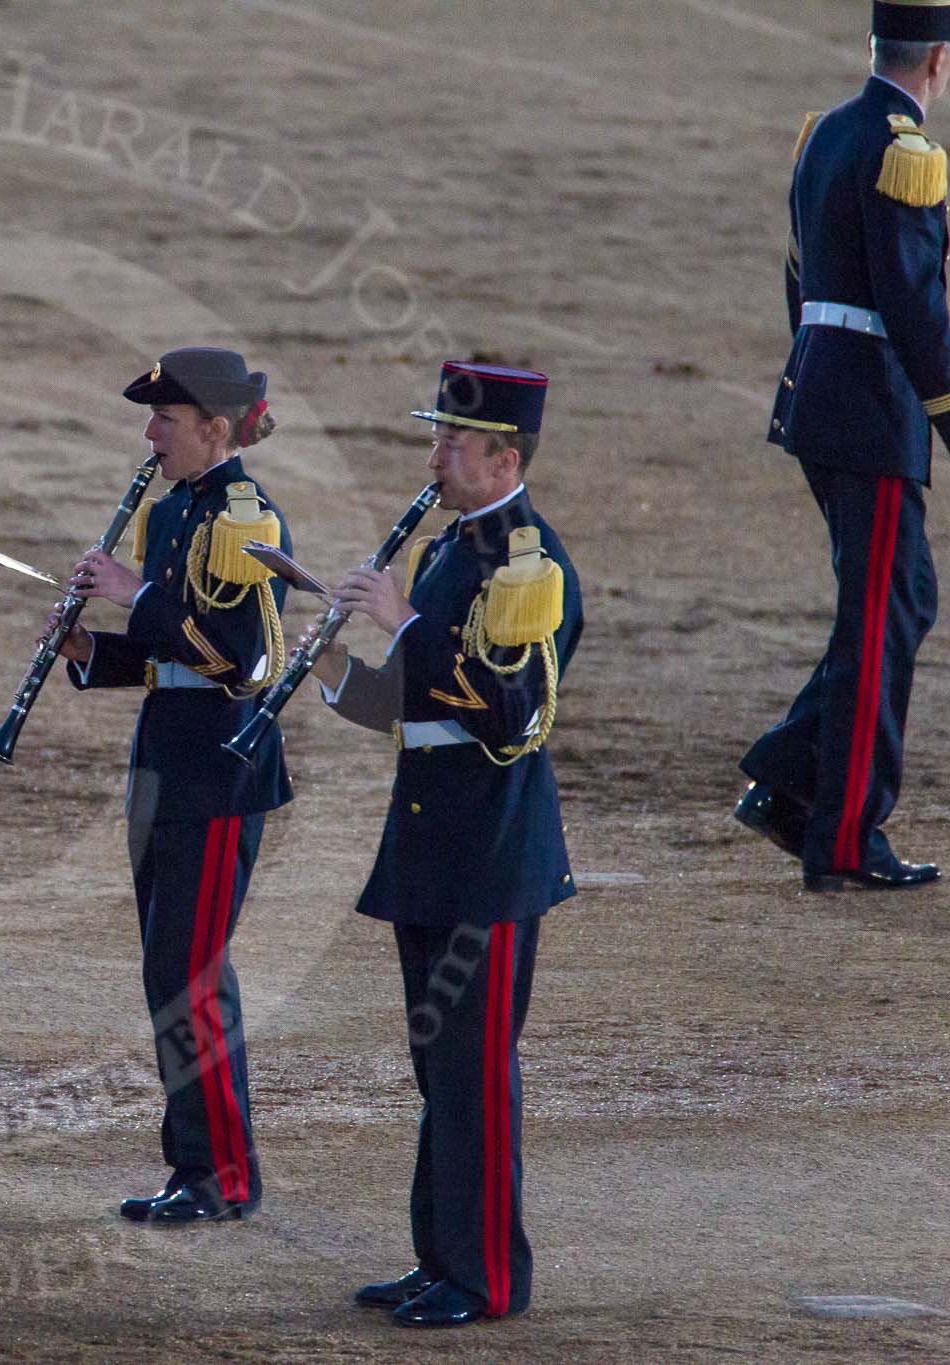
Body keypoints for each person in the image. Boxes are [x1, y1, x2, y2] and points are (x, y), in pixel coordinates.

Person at [316, 361, 581, 1328]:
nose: (434, 457)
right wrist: (334, 667)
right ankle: (441, 1259)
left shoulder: (528, 565)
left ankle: (486, 1277)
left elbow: (514, 718)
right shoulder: (447, 547)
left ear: (505, 456)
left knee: (473, 1067)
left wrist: (410, 623)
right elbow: (418, 704)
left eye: (453, 444)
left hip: (490, 854)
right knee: (440, 1065)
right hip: (434, 843)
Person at [49, 347, 288, 1223]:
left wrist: (134, 590)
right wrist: (90, 654)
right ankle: (195, 1165)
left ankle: (221, 1173)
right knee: (168, 969)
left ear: (216, 430)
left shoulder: (246, 518)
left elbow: (243, 657)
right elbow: (169, 656)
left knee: (189, 973)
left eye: (166, 421)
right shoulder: (179, 508)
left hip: (218, 770)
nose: (151, 435)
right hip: (167, 756)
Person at [739, 5, 950, 891]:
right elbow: (912, 303)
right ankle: (844, 833)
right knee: (878, 619)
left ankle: (790, 779)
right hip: (873, 410)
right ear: (936, 62)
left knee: (899, 600)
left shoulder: (822, 133)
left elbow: (797, 271)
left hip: (823, 393)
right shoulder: (906, 152)